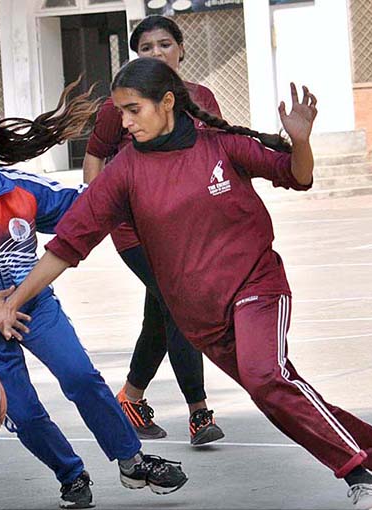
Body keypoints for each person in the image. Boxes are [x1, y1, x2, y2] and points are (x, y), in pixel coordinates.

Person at [0, 58, 372, 510]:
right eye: (120, 112)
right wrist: (13, 303)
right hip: (200, 319)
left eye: (133, 110)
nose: (124, 123)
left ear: (167, 103)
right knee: (279, 396)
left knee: (268, 379)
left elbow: (296, 176)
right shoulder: (124, 172)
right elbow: (66, 247)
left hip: (256, 288)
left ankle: (359, 476)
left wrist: (301, 143)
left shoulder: (220, 146)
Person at [0, 88, 188, 509]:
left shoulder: (23, 188)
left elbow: (84, 205)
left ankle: (131, 460)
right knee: (23, 412)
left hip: (34, 306)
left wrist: (134, 179)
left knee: (81, 376)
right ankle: (70, 474)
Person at [83, 14, 224, 444]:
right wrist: (109, 205)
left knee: (160, 316)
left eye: (165, 44)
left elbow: (219, 156)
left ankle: (130, 397)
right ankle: (199, 412)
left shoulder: (201, 98)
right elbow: (94, 162)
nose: (157, 53)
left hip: (188, 230)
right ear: (136, 55)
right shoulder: (119, 105)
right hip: (136, 231)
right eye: (146, 48)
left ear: (181, 50)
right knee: (179, 307)